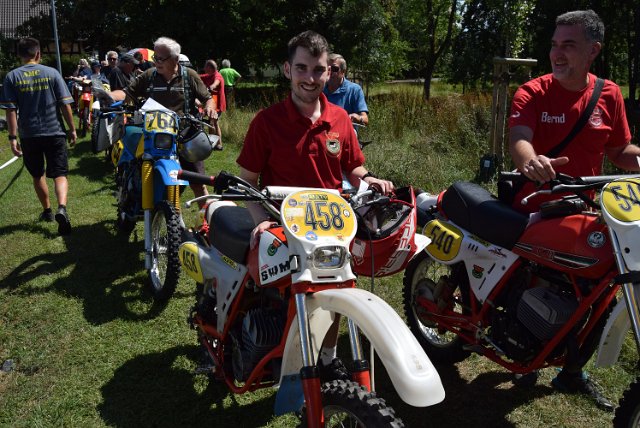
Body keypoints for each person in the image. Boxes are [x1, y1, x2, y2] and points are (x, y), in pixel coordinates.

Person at [237, 30, 393, 382]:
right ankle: (280, 353)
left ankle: (327, 357)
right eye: (302, 68)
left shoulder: (340, 118)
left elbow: (352, 167)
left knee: (337, 289)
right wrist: (261, 219)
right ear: (287, 69)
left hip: (332, 224)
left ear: (329, 71)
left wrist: (370, 179)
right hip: (284, 223)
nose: (310, 78)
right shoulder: (267, 121)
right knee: (290, 296)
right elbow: (247, 180)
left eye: (319, 69)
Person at [508, 9, 640, 411]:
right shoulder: (533, 91)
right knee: (530, 285)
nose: (557, 53)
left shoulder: (609, 94)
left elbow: (619, 150)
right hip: (536, 207)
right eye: (554, 45)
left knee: (602, 293)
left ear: (593, 51)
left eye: (568, 45)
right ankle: (520, 349)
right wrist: (531, 161)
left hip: (587, 208)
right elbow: (519, 138)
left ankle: (571, 371)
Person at [106, 36, 216, 204]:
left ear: (175, 59)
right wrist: (108, 96)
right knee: (140, 170)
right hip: (154, 136)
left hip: (184, 136)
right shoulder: (149, 75)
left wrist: (210, 107)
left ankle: (205, 218)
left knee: (198, 184)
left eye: (161, 58)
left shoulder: (189, 76)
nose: (156, 62)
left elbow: (208, 98)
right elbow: (127, 93)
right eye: (155, 58)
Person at [0, 37, 76, 235]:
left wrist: (12, 138)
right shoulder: (52, 73)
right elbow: (65, 104)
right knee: (59, 174)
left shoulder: (12, 77)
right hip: (54, 131)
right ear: (38, 53)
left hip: (29, 135)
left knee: (37, 174)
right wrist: (72, 128)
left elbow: (10, 110)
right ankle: (62, 208)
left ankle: (47, 211)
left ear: (19, 55)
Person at [323, 53, 369, 127]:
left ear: (343, 72)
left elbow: (365, 119)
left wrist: (358, 118)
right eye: (327, 69)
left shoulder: (354, 90)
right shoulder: (320, 89)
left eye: (334, 69)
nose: (330, 72)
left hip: (345, 131)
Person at [199, 59, 225, 150]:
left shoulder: (217, 76)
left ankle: (219, 144)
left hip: (217, 104)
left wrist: (211, 87)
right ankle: (212, 143)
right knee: (211, 122)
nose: (204, 68)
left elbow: (216, 83)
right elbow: (198, 76)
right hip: (212, 102)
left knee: (214, 122)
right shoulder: (209, 75)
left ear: (209, 68)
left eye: (205, 66)